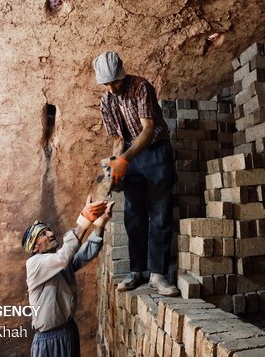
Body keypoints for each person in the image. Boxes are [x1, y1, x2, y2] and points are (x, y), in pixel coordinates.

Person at [93, 51, 179, 297]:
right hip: (130, 155)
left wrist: (124, 159)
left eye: (115, 82)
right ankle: (137, 271)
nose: (111, 88)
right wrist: (114, 166)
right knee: (133, 213)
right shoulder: (106, 101)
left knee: (160, 212)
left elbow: (149, 129)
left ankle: (158, 275)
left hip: (155, 151)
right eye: (106, 84)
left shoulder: (141, 87)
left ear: (123, 74)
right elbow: (119, 139)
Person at [22, 196, 114, 357]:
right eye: (43, 234)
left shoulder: (58, 263)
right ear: (35, 246)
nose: (50, 234)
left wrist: (100, 223)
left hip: (68, 331)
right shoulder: (34, 264)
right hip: (48, 340)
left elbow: (85, 254)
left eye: (48, 230)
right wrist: (84, 220)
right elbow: (64, 256)